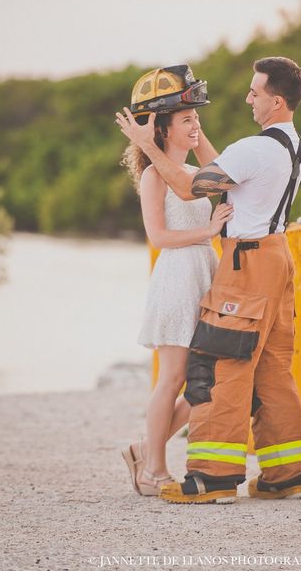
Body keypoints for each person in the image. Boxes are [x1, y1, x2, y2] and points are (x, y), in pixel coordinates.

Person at [116, 56, 301, 504]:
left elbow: (192, 188)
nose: (248, 98)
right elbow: (213, 179)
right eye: (188, 118)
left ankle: (213, 477)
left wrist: (151, 142)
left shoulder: (255, 148)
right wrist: (163, 144)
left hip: (246, 262)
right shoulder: (291, 145)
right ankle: (289, 473)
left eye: (255, 92)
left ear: (276, 100)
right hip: (273, 257)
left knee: (225, 365)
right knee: (270, 368)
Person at [120, 65, 233, 496]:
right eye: (187, 121)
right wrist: (208, 231)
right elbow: (159, 237)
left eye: (197, 119)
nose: (196, 125)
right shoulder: (154, 175)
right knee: (172, 378)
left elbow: (223, 172)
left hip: (203, 275)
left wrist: (191, 122)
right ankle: (153, 471)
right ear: (164, 129)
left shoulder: (194, 172)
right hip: (176, 278)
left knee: (207, 377)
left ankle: (143, 450)